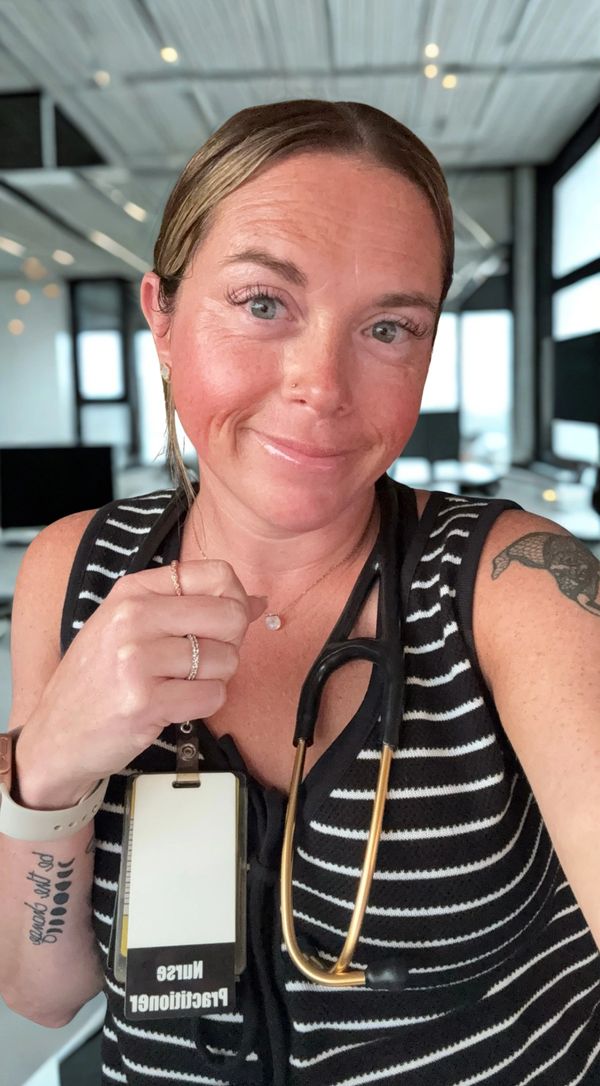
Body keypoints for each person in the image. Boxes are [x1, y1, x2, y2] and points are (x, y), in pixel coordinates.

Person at [1, 99, 599, 1086]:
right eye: (263, 304)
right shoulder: (72, 572)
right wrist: (50, 768)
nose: (322, 384)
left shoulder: (508, 586)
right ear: (161, 314)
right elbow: (43, 992)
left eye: (389, 325)